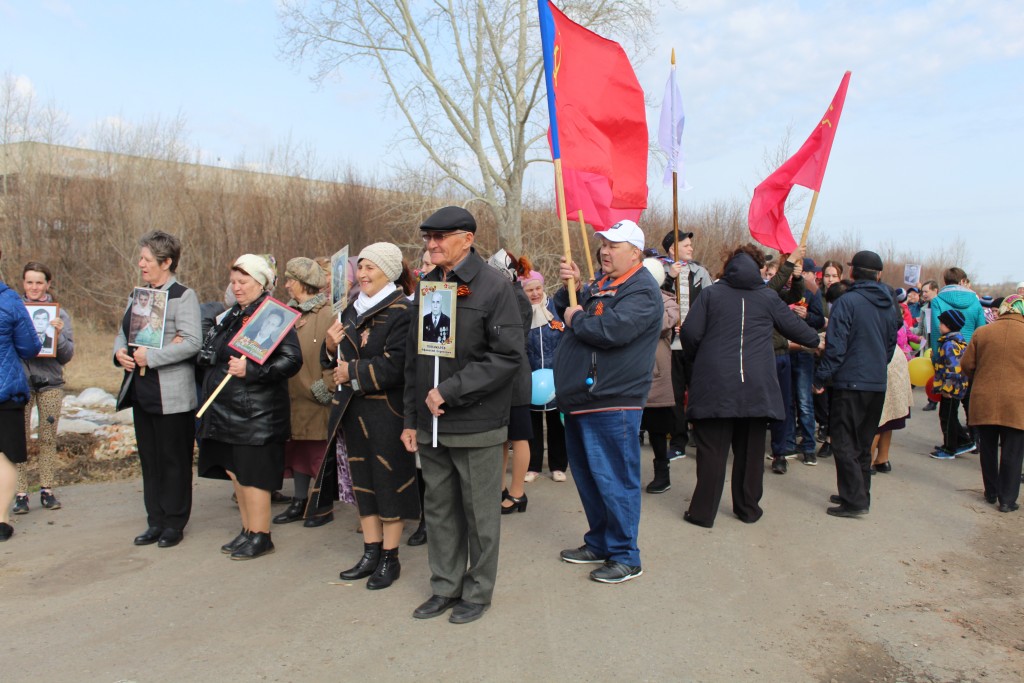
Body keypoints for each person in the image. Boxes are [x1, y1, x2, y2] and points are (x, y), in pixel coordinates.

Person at [401, 206, 522, 624]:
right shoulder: (429, 284)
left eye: (441, 237)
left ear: (468, 239)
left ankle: (478, 591)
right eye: (427, 237)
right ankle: (445, 586)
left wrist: (450, 391)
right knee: (439, 510)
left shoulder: (494, 287)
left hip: (476, 424)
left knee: (480, 514)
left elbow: (507, 357)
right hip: (431, 426)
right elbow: (415, 359)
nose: (431, 244)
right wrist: (410, 419)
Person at [552, 219, 663, 584]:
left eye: (614, 245)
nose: (605, 250)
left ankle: (626, 555)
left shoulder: (642, 290)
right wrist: (571, 287)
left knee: (615, 479)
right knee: (589, 479)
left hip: (613, 399)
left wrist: (576, 317)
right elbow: (563, 307)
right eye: (604, 244)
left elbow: (610, 330)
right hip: (583, 398)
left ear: (635, 253)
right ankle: (600, 542)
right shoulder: (601, 284)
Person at [681, 245, 819, 528]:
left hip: (715, 384)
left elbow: (690, 334)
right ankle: (748, 508)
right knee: (751, 453)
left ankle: (702, 513)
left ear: (729, 265)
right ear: (759, 268)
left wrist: (701, 360)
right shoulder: (767, 298)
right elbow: (801, 332)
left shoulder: (711, 294)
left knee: (712, 452)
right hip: (756, 387)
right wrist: (817, 339)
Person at [321, 243, 419, 589]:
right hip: (352, 410)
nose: (362, 275)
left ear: (388, 272)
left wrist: (353, 372)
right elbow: (334, 361)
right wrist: (329, 347)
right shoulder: (350, 309)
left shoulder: (403, 311)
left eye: (370, 268)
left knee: (388, 482)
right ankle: (370, 550)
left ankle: (390, 557)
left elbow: (399, 365)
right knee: (362, 482)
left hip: (387, 412)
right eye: (360, 267)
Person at [196, 254, 301, 559]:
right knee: (236, 472)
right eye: (233, 282)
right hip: (228, 410)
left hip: (256, 413)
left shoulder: (273, 314)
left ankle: (261, 535)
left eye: (243, 282)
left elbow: (292, 360)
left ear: (260, 283)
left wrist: (253, 371)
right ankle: (247, 529)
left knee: (254, 476)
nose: (236, 287)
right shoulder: (234, 314)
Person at [113, 232, 202, 549]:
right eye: (141, 258)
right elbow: (123, 333)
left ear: (166, 262)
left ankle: (174, 522)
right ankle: (155, 520)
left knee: (173, 461)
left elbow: (192, 342)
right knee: (150, 460)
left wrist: (152, 357)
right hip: (141, 391)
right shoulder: (138, 295)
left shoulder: (183, 296)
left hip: (171, 394)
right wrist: (120, 353)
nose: (141, 264)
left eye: (147, 259)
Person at [813, 250, 901, 518]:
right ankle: (858, 493)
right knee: (863, 442)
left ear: (852, 273)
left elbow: (836, 345)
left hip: (851, 381)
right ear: (878, 274)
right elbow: (891, 343)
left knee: (844, 441)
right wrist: (877, 366)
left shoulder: (847, 302)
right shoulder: (889, 303)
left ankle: (854, 501)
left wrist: (822, 376)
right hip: (875, 381)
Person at [271, 258, 336, 528]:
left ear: (303, 283)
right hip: (290, 396)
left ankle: (322, 505)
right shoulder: (286, 313)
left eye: (290, 280)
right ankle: (299, 501)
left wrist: (325, 387)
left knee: (318, 453)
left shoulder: (329, 313)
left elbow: (338, 354)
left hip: (316, 398)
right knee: (297, 450)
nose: (286, 285)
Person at [15, 262, 74, 514]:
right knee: (18, 439)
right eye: (29, 282)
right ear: (23, 283)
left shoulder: (60, 315)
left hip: (50, 383)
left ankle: (47, 490)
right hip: (21, 385)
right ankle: (20, 493)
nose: (34, 287)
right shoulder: (14, 311)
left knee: (48, 438)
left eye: (39, 282)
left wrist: (57, 337)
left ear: (48, 284)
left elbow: (67, 355)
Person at [962, 294, 1024, 512]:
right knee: (1013, 452)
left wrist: (982, 376)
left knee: (988, 448)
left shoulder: (983, 332)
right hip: (1018, 404)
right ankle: (1007, 500)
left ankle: (991, 492)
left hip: (984, 399)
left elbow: (967, 365)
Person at [1, 246, 44, 541]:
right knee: (4, 456)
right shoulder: (10, 300)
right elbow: (30, 347)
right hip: (5, 390)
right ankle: (1, 520)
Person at [487, 249, 534, 515]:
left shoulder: (517, 297)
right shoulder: (504, 294)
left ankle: (518, 493)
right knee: (502, 436)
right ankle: (500, 488)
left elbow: (511, 339)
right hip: (500, 374)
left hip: (515, 374)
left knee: (518, 434)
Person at [660, 230, 714, 458]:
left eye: (691, 244)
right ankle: (677, 441)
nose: (691, 248)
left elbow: (711, 305)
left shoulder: (700, 272)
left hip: (695, 345)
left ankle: (704, 440)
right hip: (670, 345)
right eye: (686, 245)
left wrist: (694, 326)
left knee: (700, 392)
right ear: (673, 249)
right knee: (674, 394)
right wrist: (669, 278)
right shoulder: (658, 272)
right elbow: (654, 302)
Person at [522, 269, 567, 483]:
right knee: (532, 423)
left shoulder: (556, 307)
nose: (535, 293)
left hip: (556, 375)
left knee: (556, 422)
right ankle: (533, 466)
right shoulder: (520, 312)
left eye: (538, 288)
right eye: (529, 290)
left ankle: (558, 465)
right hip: (530, 377)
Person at [642, 257, 680, 494]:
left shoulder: (668, 302)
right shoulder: (627, 298)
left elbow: (661, 325)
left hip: (655, 374)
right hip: (630, 374)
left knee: (657, 430)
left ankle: (662, 473)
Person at [930, 310, 974, 459]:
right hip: (956, 386)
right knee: (950, 416)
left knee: (947, 418)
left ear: (949, 325)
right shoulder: (956, 341)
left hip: (951, 388)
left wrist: (948, 388)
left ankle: (950, 449)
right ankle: (963, 442)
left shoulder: (949, 344)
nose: (939, 326)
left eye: (942, 323)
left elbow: (953, 369)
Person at [814, 260, 844, 459]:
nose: (830, 279)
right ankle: (823, 425)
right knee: (819, 397)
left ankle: (830, 439)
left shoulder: (845, 297)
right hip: (818, 350)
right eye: (827, 275)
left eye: (834, 276)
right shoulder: (818, 296)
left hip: (837, 355)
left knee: (835, 398)